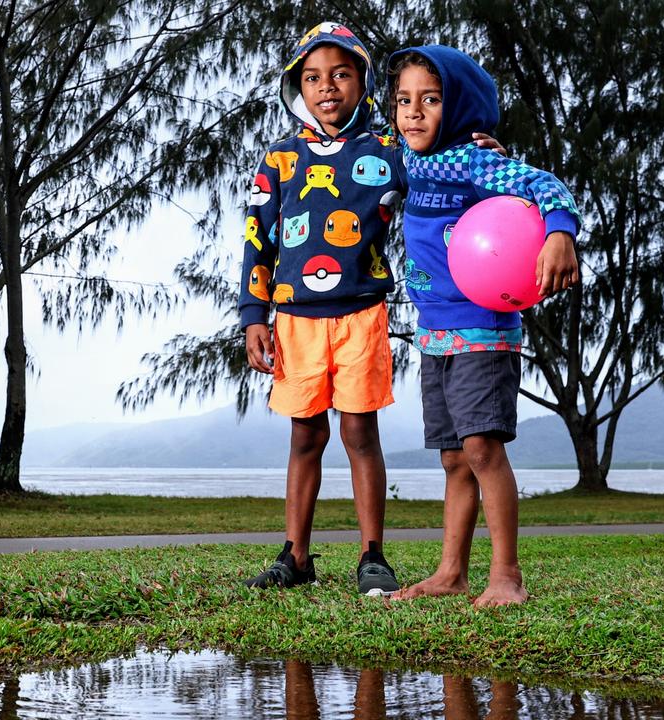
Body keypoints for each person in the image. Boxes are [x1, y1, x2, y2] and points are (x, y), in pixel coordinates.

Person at [386, 46, 582, 607]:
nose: (414, 113)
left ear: (462, 107)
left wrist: (559, 232)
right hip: (434, 332)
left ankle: (507, 574)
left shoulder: (472, 162)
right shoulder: (408, 159)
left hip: (483, 326)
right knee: (453, 456)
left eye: (430, 99)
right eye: (404, 101)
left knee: (482, 449)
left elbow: (547, 187)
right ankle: (451, 572)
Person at [237, 22, 404, 596]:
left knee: (360, 432)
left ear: (362, 81)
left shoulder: (387, 149)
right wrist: (252, 317)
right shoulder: (279, 158)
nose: (326, 87)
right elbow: (257, 238)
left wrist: (475, 148)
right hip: (295, 319)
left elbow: (439, 173)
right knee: (305, 437)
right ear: (297, 89)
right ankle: (297, 556)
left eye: (340, 74)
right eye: (312, 78)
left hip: (362, 313)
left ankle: (372, 556)